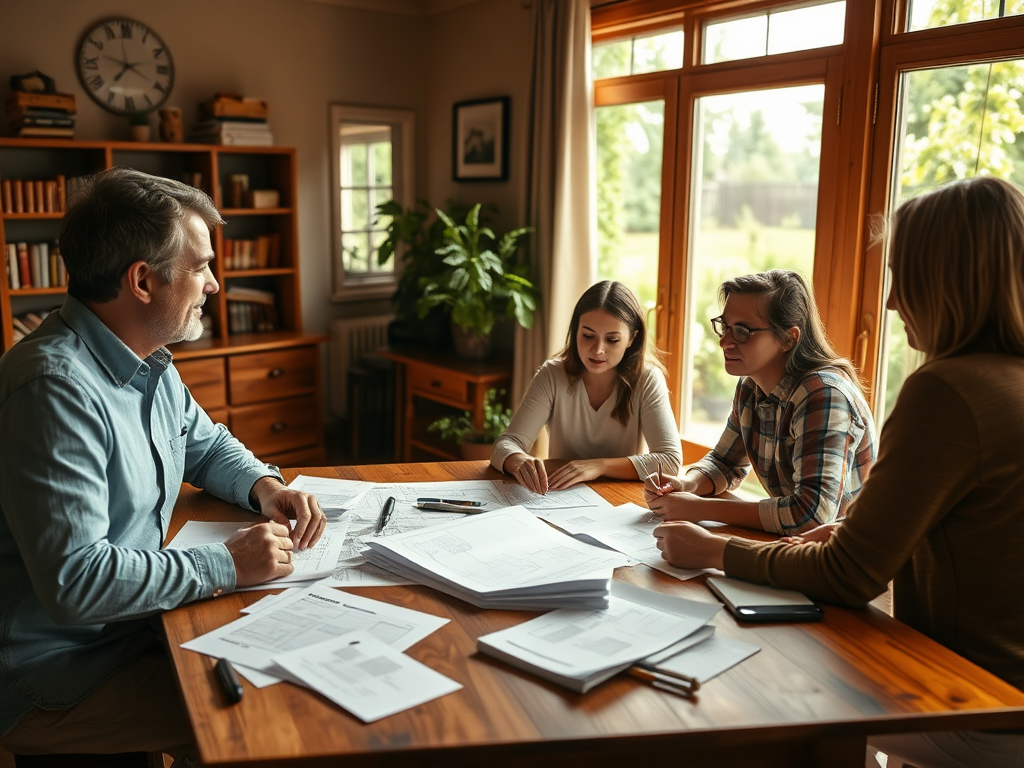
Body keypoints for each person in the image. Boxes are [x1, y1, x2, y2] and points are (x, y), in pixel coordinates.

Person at [654, 177, 1024, 768]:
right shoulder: (1006, 380)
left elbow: (851, 575)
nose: (893, 301)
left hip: (979, 706)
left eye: (905, 277)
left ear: (947, 281)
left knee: (753, 698)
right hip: (998, 690)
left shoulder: (945, 392)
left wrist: (714, 550)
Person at [0, 167, 327, 761]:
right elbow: (77, 582)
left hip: (134, 627)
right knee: (274, 718)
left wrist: (265, 486)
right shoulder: (53, 387)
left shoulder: (147, 359)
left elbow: (205, 443)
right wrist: (227, 563)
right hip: (58, 672)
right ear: (143, 281)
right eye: (201, 265)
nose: (215, 284)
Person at [646, 269, 876, 535]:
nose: (724, 341)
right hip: (793, 546)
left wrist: (698, 509)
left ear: (789, 338)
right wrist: (687, 485)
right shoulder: (750, 385)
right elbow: (725, 463)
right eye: (725, 326)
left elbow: (812, 515)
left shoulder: (824, 396)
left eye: (742, 331)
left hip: (841, 555)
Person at [491, 280, 682, 493]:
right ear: (575, 331)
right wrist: (517, 460)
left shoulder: (647, 379)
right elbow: (506, 444)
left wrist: (598, 466)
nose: (598, 349)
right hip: (557, 495)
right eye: (588, 336)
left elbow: (670, 461)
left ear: (631, 339)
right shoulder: (552, 375)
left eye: (612, 340)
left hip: (620, 499)